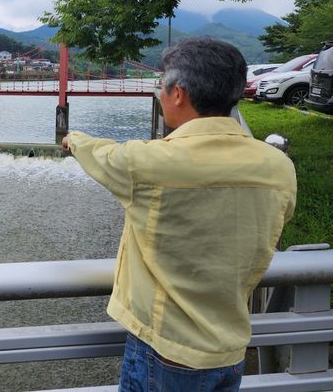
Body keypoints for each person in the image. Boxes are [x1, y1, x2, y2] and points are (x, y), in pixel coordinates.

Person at [62, 37, 296, 391]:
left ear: (178, 94)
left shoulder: (148, 163)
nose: (159, 95)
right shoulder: (278, 167)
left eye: (161, 87)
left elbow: (103, 155)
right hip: (229, 351)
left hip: (165, 352)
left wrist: (72, 138)